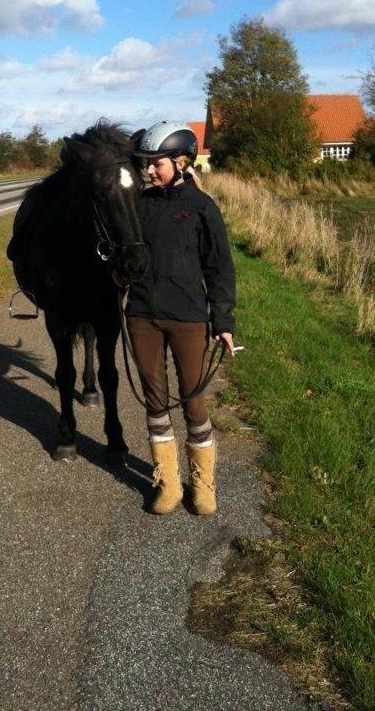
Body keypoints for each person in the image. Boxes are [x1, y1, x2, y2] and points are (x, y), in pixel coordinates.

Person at [125, 122, 236, 515]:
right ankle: (169, 483)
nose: (149, 170)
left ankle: (202, 483)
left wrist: (223, 322)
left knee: (193, 402)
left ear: (182, 162)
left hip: (188, 318)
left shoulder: (202, 208)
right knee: (155, 402)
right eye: (147, 163)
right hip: (142, 317)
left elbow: (220, 268)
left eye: (156, 163)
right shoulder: (139, 204)